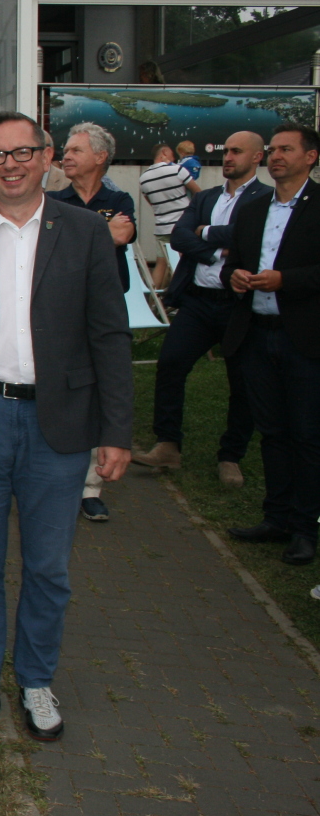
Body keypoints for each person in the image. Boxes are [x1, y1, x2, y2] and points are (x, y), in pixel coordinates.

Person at [0, 110, 133, 743]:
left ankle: (36, 680)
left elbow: (109, 337)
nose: (9, 165)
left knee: (47, 568)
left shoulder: (86, 234)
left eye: (21, 153)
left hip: (58, 426)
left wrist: (116, 431)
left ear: (46, 158)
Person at [135, 132, 269, 486]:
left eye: (237, 152)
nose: (228, 157)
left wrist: (205, 232)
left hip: (238, 305)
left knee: (242, 381)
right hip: (197, 300)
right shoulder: (207, 196)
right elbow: (178, 236)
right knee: (171, 365)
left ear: (257, 157)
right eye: (226, 151)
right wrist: (213, 249)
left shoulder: (265, 199)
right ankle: (168, 444)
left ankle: (231, 456)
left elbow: (250, 239)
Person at [223, 123, 320, 566]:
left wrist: (287, 281)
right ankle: (276, 517)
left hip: (303, 339)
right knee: (273, 432)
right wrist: (236, 277)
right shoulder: (254, 208)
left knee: (306, 435)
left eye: (287, 149)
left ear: (310, 157)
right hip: (257, 337)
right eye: (274, 149)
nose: (277, 156)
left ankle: (305, 527)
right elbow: (234, 265)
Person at [48, 123, 136, 524]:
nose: (65, 156)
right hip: (58, 312)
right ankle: (53, 479)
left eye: (75, 150)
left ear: (100, 157)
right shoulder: (51, 200)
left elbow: (124, 233)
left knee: (98, 394)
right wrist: (103, 234)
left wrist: (82, 237)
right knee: (62, 394)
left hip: (102, 313)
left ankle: (90, 489)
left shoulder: (120, 199)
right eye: (64, 150)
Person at [138, 146, 202, 289]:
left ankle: (154, 301)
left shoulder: (143, 178)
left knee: (161, 263)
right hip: (184, 225)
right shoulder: (177, 170)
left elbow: (151, 202)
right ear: (164, 153)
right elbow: (198, 193)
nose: (174, 159)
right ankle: (182, 298)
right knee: (183, 262)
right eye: (172, 155)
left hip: (162, 227)